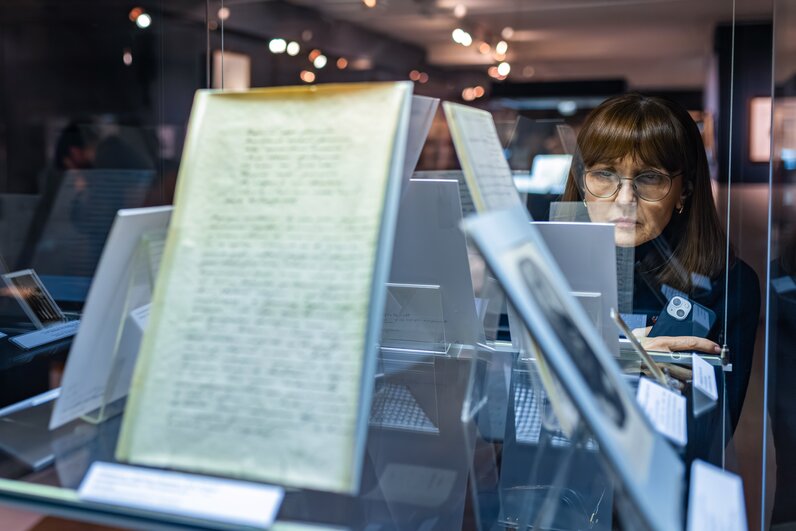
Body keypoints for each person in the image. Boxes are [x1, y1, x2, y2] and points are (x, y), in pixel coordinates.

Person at [561, 93, 760, 435]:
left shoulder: (729, 284)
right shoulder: (547, 265)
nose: (625, 199)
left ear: (684, 190)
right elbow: (509, 402)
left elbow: (713, 432)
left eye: (650, 177)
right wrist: (622, 360)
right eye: (605, 174)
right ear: (582, 183)